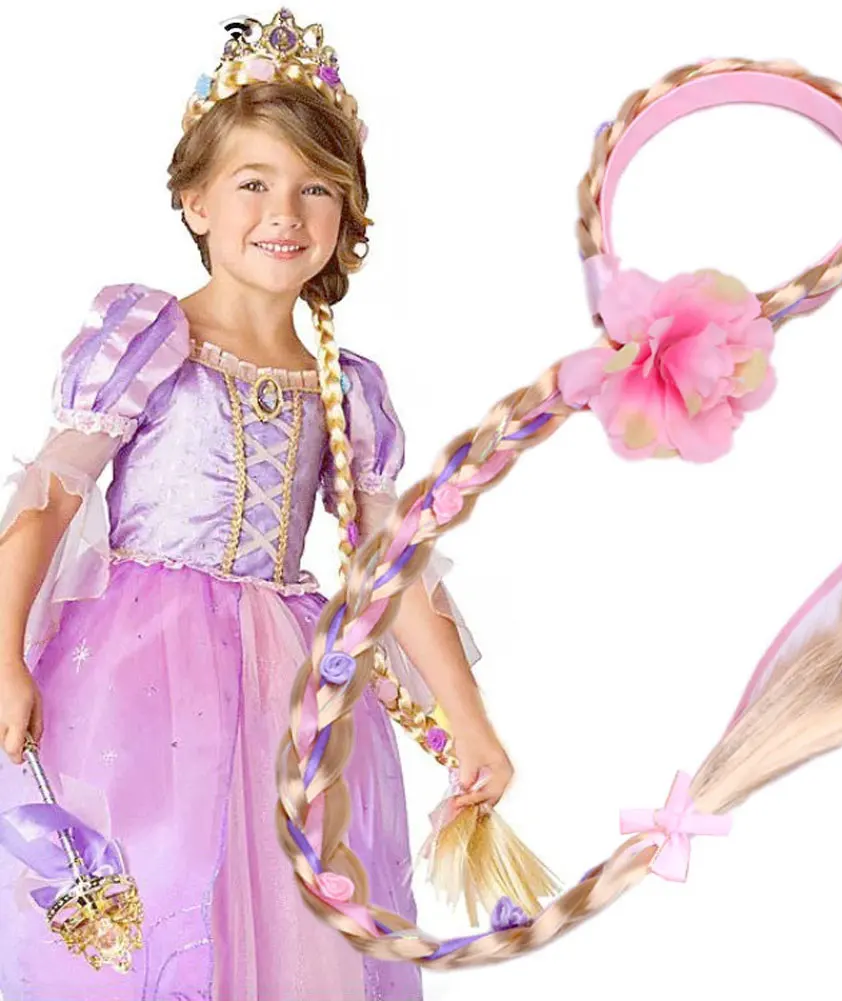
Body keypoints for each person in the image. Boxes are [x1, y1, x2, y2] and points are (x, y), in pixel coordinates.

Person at [0, 8, 512, 999]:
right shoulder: (150, 339)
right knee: (151, 886)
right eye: (253, 183)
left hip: (289, 685)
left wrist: (470, 722)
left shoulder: (344, 387)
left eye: (315, 188)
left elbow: (390, 568)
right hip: (139, 677)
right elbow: (47, 502)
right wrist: (1, 655)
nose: (285, 212)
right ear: (194, 200)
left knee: (283, 906)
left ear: (345, 214)